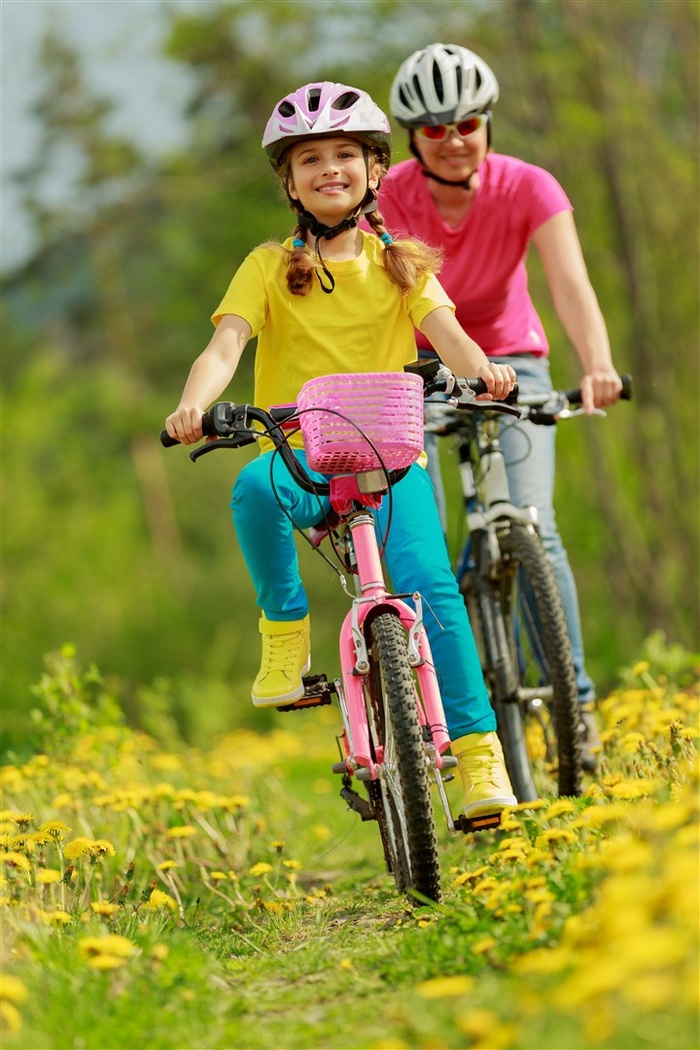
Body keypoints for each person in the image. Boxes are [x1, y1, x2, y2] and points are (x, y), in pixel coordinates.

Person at [165, 82, 518, 818]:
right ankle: (285, 634)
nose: (330, 168)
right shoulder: (266, 267)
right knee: (253, 491)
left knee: (433, 590)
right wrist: (195, 404)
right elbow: (225, 344)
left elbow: (447, 334)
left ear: (376, 170)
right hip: (301, 455)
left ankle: (482, 762)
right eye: (311, 159)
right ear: (289, 183)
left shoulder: (402, 264)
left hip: (390, 460)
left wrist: (480, 369)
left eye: (346, 155)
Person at [379, 43, 624, 771]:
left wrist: (599, 364)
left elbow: (571, 284)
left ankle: (573, 708)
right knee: (421, 549)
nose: (454, 141)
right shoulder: (388, 195)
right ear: (412, 139)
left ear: (488, 122)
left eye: (468, 123)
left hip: (514, 362)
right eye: (434, 129)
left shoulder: (530, 186)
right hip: (420, 366)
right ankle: (450, 713)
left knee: (532, 528)